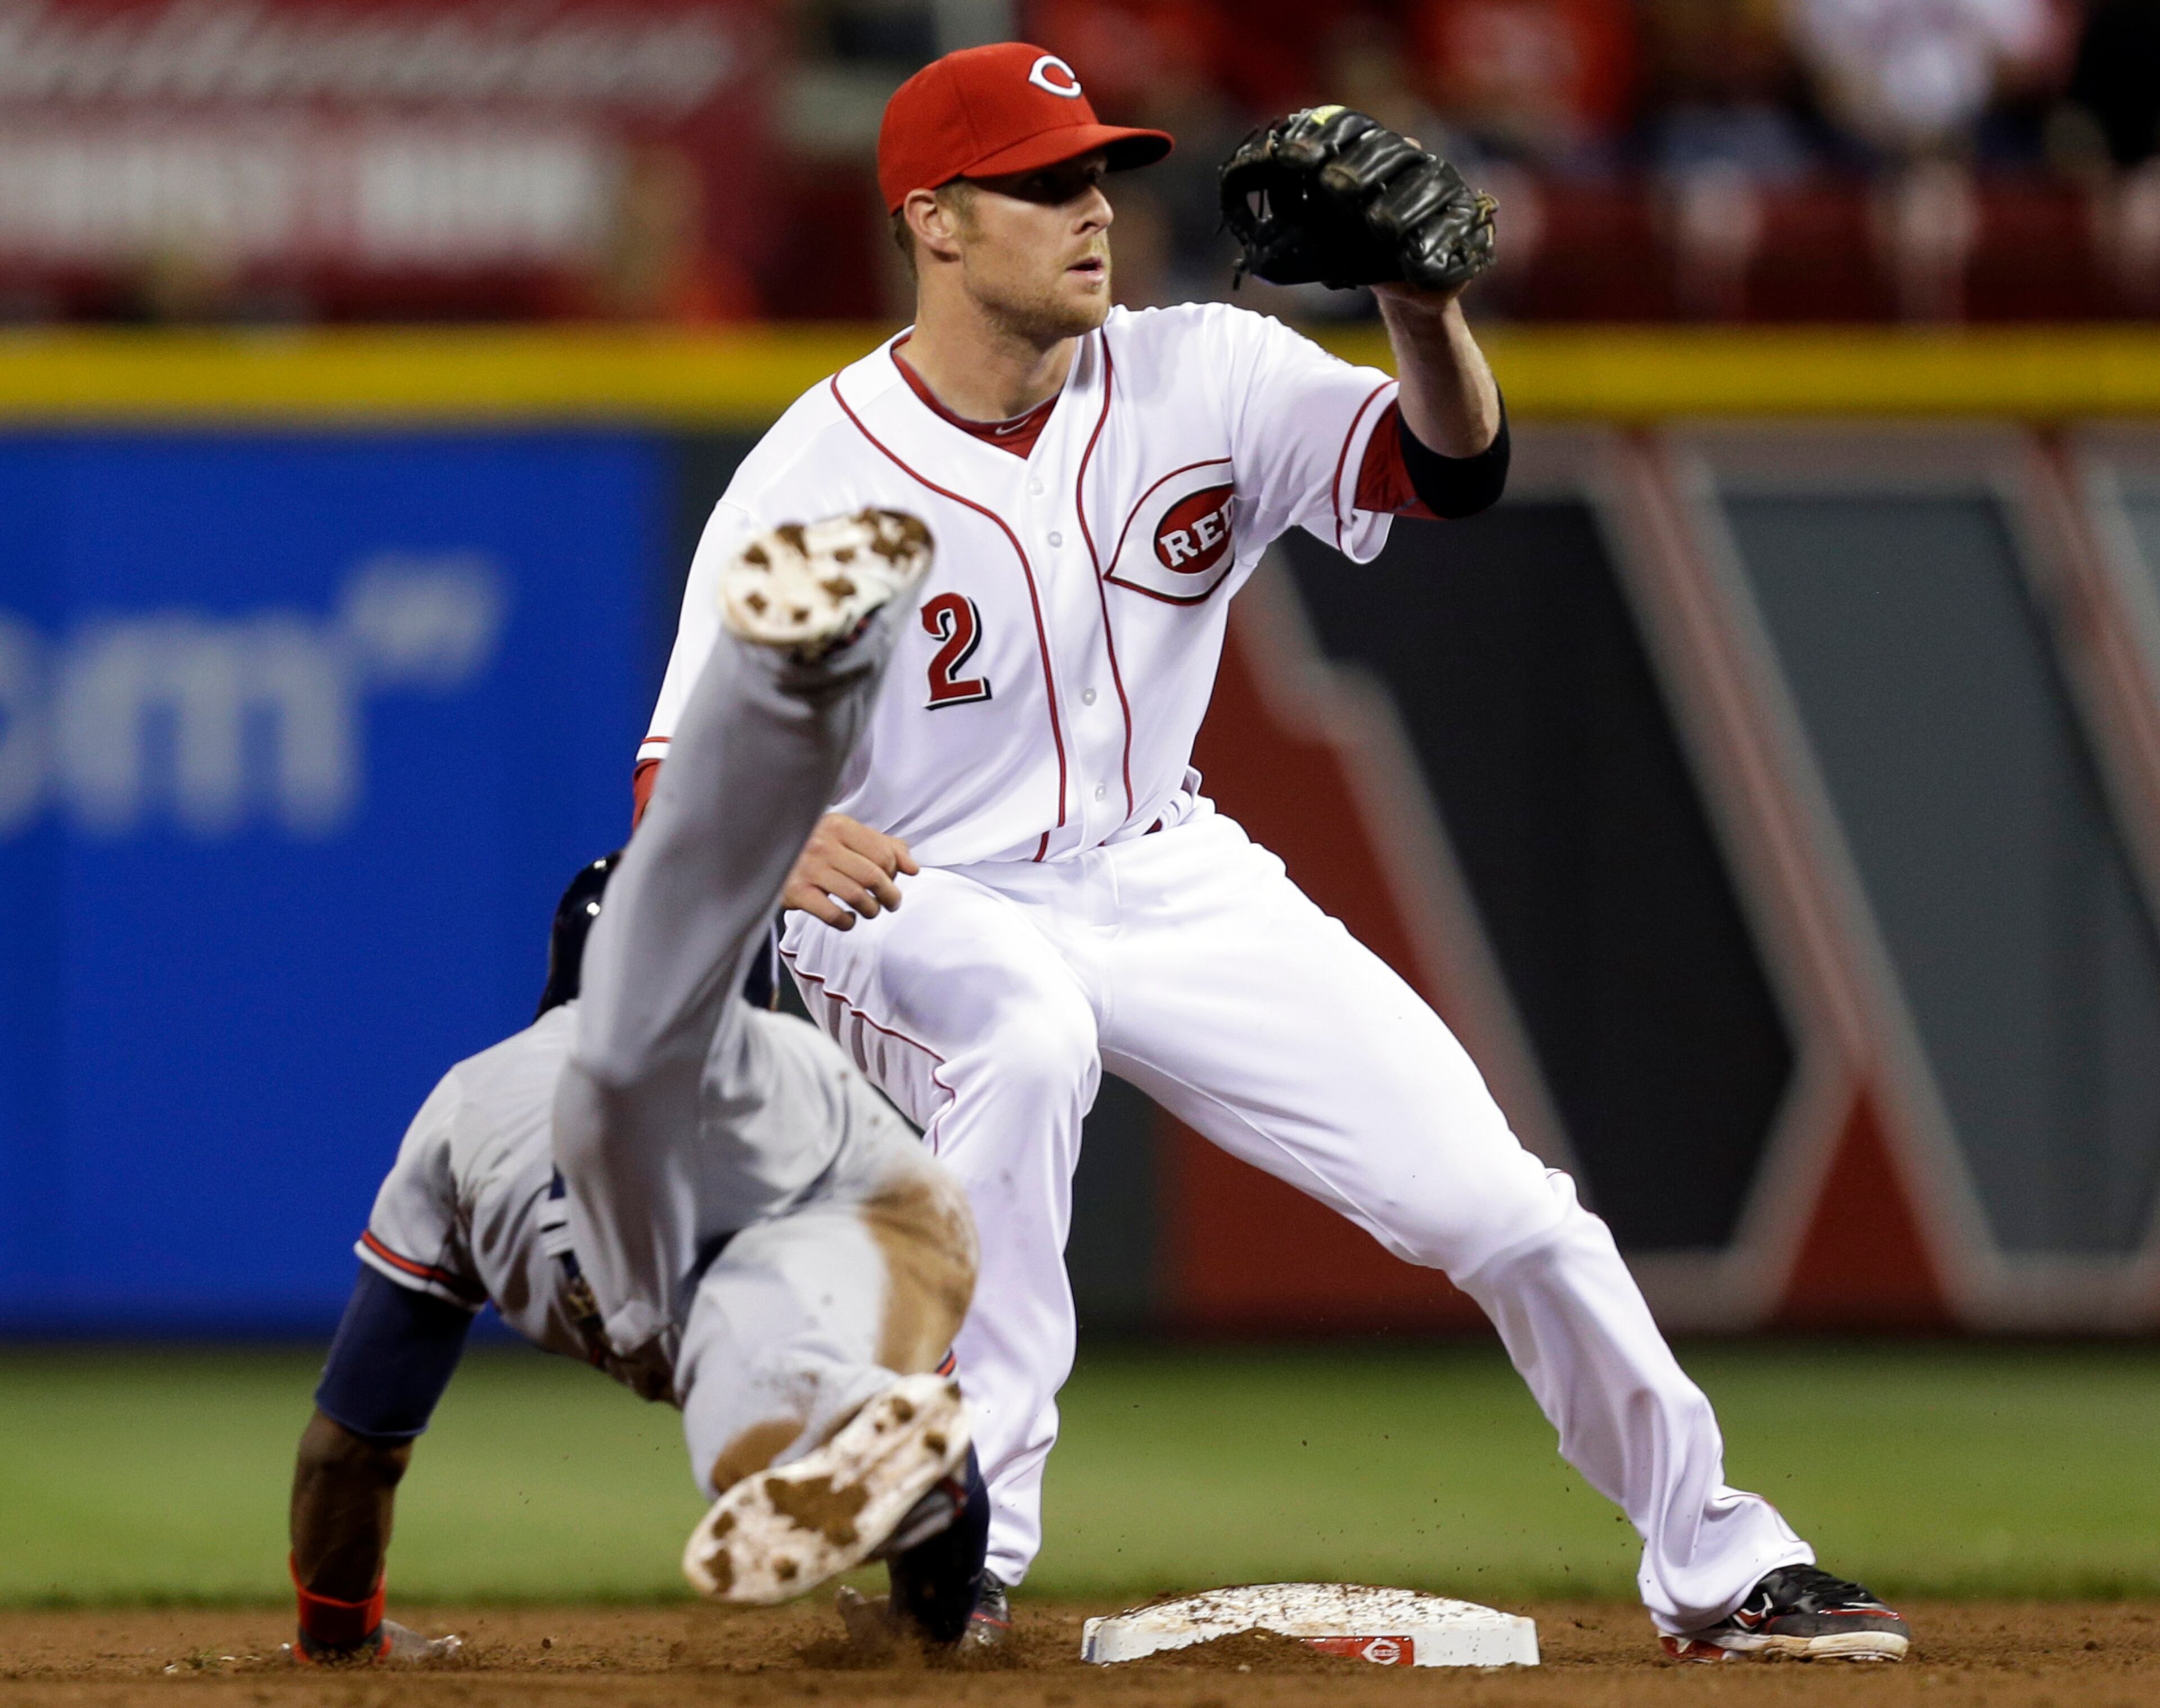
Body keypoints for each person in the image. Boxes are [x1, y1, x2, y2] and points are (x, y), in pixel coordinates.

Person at [634, 42, 1911, 1664]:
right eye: (1044, 183)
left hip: (1168, 874)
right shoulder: (815, 472)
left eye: (1100, 171)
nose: (1094, 208)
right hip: (917, 892)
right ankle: (968, 1550)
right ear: (935, 221)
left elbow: (1449, 470)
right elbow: (676, 769)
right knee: (1027, 1032)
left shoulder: (1206, 370)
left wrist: (1423, 309)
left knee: (1504, 1207)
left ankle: (1726, 1561)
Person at [286, 511, 990, 1661]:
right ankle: (911, 1503)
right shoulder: (763, 1093)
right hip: (876, 1201)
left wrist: (336, 1637)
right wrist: (937, 1606)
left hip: (717, 1150)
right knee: (747, 1417)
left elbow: (346, 1448)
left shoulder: (478, 1100)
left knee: (633, 1060)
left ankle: (795, 680)